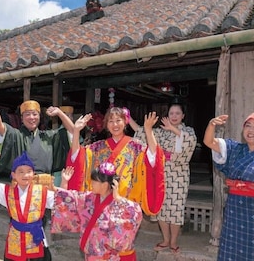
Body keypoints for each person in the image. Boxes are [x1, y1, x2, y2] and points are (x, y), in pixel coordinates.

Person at [68, 107, 165, 216]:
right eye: (111, 121)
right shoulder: (98, 147)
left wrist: (148, 130)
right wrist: (76, 131)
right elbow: (78, 158)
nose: (115, 125)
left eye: (118, 120)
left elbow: (153, 157)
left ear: (125, 122)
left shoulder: (135, 147)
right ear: (106, 125)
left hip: (125, 204)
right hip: (101, 203)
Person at [131, 102, 197, 254]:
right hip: (161, 173)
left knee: (175, 208)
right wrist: (128, 120)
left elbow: (190, 141)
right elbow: (143, 132)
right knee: (160, 206)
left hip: (179, 174)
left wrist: (172, 128)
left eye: (177, 113)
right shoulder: (161, 132)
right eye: (171, 113)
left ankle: (173, 241)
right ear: (167, 116)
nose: (174, 116)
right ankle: (165, 239)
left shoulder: (188, 131)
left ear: (183, 116)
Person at [51, 162, 143, 260]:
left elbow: (136, 212)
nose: (92, 184)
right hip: (91, 254)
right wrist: (63, 182)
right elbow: (68, 199)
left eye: (94, 181)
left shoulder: (121, 205)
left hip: (111, 257)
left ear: (104, 184)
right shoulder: (89, 198)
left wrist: (118, 198)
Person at [0, 89, 74, 176]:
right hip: (21, 184)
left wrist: (60, 113)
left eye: (35, 114)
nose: (31, 117)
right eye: (27, 114)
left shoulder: (48, 137)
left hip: (45, 185)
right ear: (21, 118)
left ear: (39, 117)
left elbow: (73, 131)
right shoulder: (15, 135)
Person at [0, 151, 56, 261]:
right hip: (15, 239)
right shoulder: (7, 192)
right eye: (20, 172)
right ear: (14, 175)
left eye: (29, 171)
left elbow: (60, 201)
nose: (25, 175)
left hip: (35, 238)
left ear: (33, 173)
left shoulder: (42, 192)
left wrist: (64, 182)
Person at [203, 113, 254, 261]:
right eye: (248, 126)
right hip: (235, 210)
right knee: (232, 248)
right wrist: (212, 125)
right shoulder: (235, 149)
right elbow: (209, 142)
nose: (251, 130)